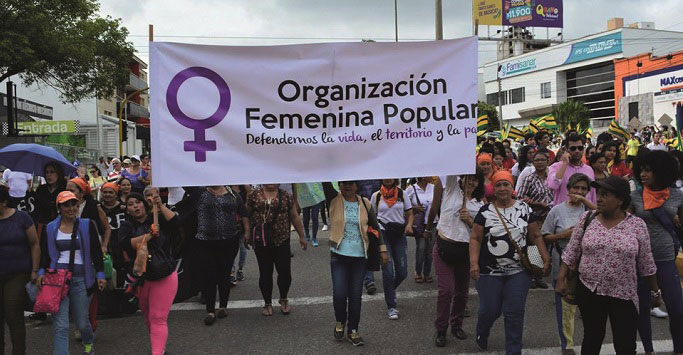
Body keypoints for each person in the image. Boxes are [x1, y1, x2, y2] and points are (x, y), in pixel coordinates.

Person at [556, 176, 661, 355]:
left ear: (620, 200)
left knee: (625, 344)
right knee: (592, 338)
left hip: (623, 294)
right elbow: (571, 251)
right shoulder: (587, 219)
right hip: (590, 290)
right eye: (599, 194)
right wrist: (561, 278)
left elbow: (646, 263)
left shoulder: (637, 225)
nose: (600, 199)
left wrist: (655, 292)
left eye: (606, 195)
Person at [469, 170, 551, 353]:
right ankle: (482, 330)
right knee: (490, 310)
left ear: (512, 187)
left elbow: (536, 235)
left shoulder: (524, 208)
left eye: (506, 184)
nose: (502, 188)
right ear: (493, 189)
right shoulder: (485, 211)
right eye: (498, 185)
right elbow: (475, 238)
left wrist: (545, 258)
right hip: (489, 271)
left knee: (514, 312)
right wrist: (474, 263)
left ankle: (514, 350)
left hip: (519, 271)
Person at [37, 191, 106, 355]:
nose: (70, 208)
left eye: (73, 204)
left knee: (82, 323)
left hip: (81, 279)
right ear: (59, 207)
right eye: (66, 205)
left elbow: (96, 252)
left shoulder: (87, 224)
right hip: (57, 280)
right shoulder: (51, 227)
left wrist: (100, 275)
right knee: (61, 325)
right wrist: (40, 272)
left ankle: (88, 342)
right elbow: (45, 254)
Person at [322, 181, 388, 346]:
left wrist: (382, 249)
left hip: (360, 257)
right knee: (339, 294)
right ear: (339, 185)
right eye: (343, 183)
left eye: (351, 183)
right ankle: (340, 321)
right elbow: (325, 180)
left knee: (355, 297)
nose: (347, 186)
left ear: (357, 186)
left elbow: (375, 227)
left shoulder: (365, 203)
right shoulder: (334, 199)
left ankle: (353, 330)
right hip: (338, 256)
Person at [631, 151, 683, 355]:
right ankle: (649, 350)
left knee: (677, 309)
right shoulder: (634, 196)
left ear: (661, 172)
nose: (643, 174)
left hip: (667, 258)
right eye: (641, 170)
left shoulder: (677, 195)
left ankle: (679, 349)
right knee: (642, 309)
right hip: (640, 260)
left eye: (649, 170)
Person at [428, 171, 485, 347]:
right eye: (468, 178)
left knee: (462, 293)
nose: (471, 182)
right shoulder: (452, 191)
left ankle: (457, 325)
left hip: (465, 252)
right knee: (446, 291)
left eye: (475, 180)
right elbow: (451, 169)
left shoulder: (480, 204)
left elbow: (482, 232)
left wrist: (469, 220)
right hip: (444, 248)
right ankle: (441, 329)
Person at [118, 192, 179, 355]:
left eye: (138, 202)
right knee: (148, 315)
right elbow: (126, 244)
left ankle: (157, 351)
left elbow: (176, 222)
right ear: (128, 209)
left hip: (164, 274)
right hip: (142, 279)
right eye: (131, 204)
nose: (135, 206)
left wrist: (160, 205)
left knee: (158, 317)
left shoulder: (157, 218)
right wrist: (149, 236)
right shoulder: (126, 226)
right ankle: (159, 346)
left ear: (145, 204)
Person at [541, 173, 594, 355]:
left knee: (589, 309)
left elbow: (602, 216)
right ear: (568, 189)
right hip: (562, 263)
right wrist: (563, 235)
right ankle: (567, 345)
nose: (578, 192)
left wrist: (585, 203)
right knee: (565, 309)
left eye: (583, 189)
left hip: (587, 265)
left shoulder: (590, 211)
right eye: (575, 188)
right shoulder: (556, 210)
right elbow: (545, 236)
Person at [182, 185, 249, 324]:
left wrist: (247, 232)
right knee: (209, 275)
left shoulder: (233, 194)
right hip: (205, 241)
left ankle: (223, 306)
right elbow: (184, 180)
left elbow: (243, 213)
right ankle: (210, 310)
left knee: (224, 274)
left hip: (229, 240)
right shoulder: (200, 192)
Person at [246, 184, 307, 316]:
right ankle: (267, 303)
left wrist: (302, 236)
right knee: (265, 272)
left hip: (282, 239)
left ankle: (283, 298)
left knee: (285, 272)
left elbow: (294, 216)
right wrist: (247, 233)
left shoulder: (285, 196)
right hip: (261, 241)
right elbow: (247, 214)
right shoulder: (254, 195)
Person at [0, 186, 40, 355]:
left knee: (13, 314)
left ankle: (18, 352)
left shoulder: (21, 217)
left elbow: (34, 243)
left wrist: (35, 270)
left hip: (17, 274)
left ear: (3, 201)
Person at [371, 179, 414, 320]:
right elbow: (372, 217)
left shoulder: (402, 194)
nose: (388, 178)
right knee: (388, 271)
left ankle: (389, 289)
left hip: (399, 235)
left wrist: (409, 225)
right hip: (383, 235)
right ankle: (391, 306)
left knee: (402, 272)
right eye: (385, 175)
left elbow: (410, 213)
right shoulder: (376, 196)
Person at [516, 148, 554, 290]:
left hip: (549, 217)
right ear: (533, 162)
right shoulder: (529, 178)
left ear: (548, 161)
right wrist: (535, 203)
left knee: (546, 245)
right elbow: (519, 198)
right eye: (537, 160)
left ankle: (540, 276)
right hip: (534, 218)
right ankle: (533, 275)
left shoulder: (552, 176)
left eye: (542, 160)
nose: (539, 162)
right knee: (533, 247)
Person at [547, 134, 596, 205]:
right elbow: (553, 186)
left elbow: (592, 195)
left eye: (580, 148)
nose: (577, 151)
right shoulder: (555, 167)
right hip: (564, 213)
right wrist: (564, 163)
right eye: (573, 148)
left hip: (585, 213)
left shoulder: (589, 169)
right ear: (567, 150)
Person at [405, 177, 436, 284]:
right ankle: (418, 272)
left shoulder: (434, 187)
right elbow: (405, 204)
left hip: (433, 222)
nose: (432, 176)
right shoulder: (411, 189)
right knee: (421, 248)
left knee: (430, 250)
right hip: (420, 224)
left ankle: (427, 273)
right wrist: (414, 208)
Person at [99, 182, 127, 293]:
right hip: (106, 245)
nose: (108, 195)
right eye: (105, 192)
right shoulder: (98, 209)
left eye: (111, 192)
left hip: (121, 245)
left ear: (116, 194)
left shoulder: (123, 208)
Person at [296, 182, 326, 247]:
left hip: (316, 197)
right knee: (306, 218)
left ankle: (314, 238)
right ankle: (307, 234)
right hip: (305, 196)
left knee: (315, 217)